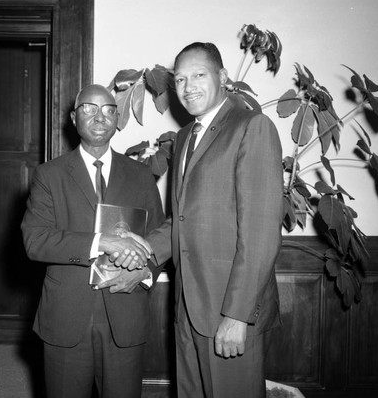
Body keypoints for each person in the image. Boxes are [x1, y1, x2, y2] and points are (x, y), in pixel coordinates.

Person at [114, 42, 284, 397]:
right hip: (188, 308)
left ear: (222, 77)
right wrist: (143, 247)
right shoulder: (185, 136)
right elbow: (183, 220)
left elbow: (260, 233)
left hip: (229, 313)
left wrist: (237, 317)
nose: (188, 87)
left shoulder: (252, 127)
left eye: (198, 75)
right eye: (179, 80)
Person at [21, 84, 165, 398]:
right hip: (66, 315)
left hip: (126, 313)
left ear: (117, 119)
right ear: (74, 117)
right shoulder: (50, 175)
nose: (100, 117)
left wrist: (145, 272)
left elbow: (160, 237)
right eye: (89, 108)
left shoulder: (141, 176)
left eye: (109, 110)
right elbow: (35, 240)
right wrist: (102, 242)